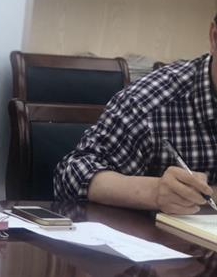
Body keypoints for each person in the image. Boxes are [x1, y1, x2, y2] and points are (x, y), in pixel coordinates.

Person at [54, 14, 217, 215]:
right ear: (214, 38)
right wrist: (155, 192)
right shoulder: (150, 102)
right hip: (152, 232)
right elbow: (71, 175)